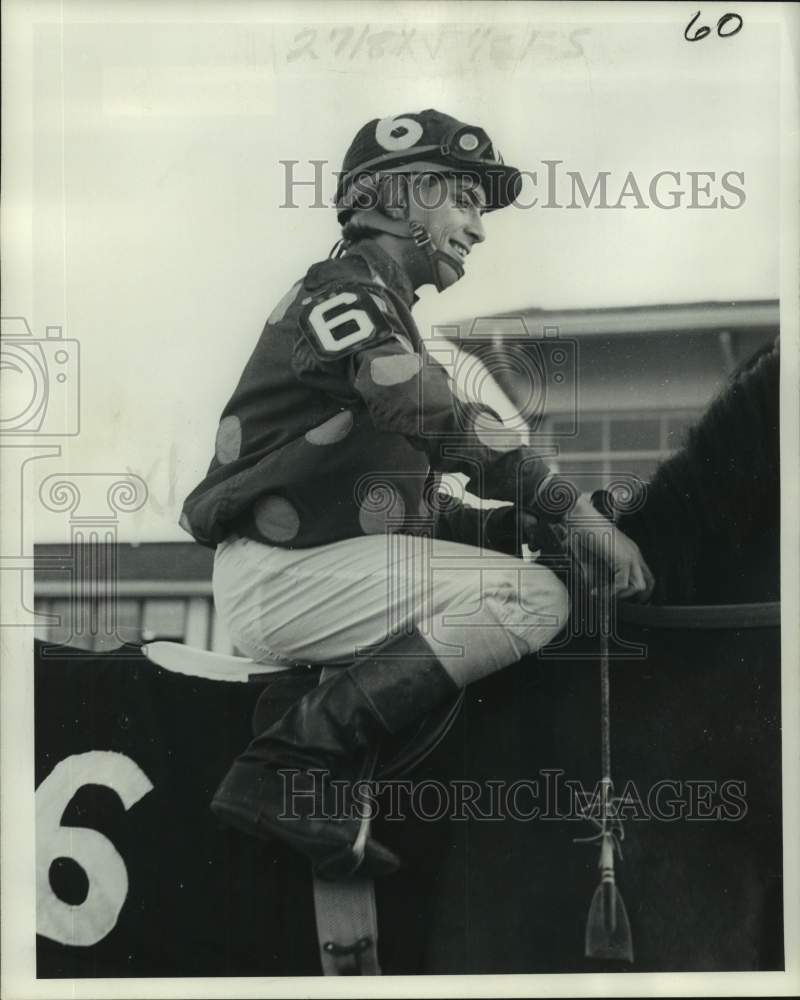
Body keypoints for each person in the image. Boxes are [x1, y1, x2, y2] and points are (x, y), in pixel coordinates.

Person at [180, 109, 654, 880]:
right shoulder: (342, 292)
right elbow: (433, 413)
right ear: (401, 197)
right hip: (284, 575)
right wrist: (567, 508)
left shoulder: (384, 315)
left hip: (321, 568)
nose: (479, 227)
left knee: (535, 573)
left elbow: (424, 511)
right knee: (532, 601)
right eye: (465, 199)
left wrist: (539, 528)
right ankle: (289, 762)